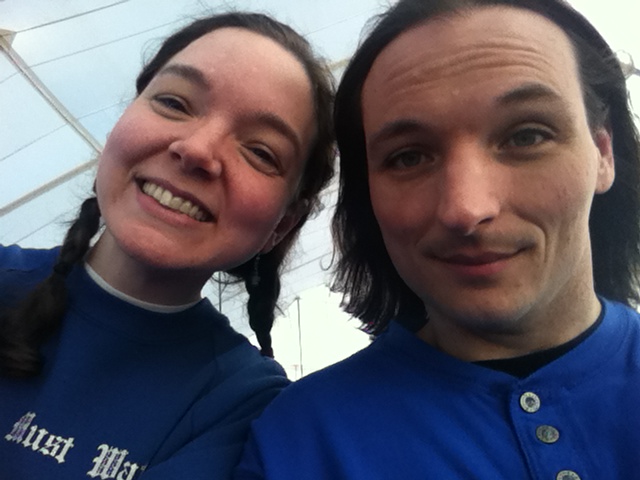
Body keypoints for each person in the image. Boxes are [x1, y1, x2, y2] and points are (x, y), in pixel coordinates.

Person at [234, 0, 640, 478]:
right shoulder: (299, 444)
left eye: (527, 135)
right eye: (408, 158)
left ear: (603, 152)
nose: (465, 209)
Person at [0, 11, 334, 479]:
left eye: (260, 151)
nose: (197, 149)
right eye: (175, 102)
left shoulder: (247, 407)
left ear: (282, 226)